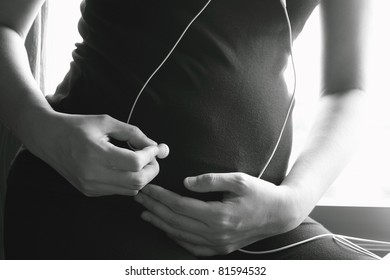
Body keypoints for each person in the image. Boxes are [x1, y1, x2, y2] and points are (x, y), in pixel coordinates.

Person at [0, 0, 371, 259]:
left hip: (257, 226)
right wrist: (44, 131)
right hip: (90, 201)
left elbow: (347, 88)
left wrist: (291, 205)